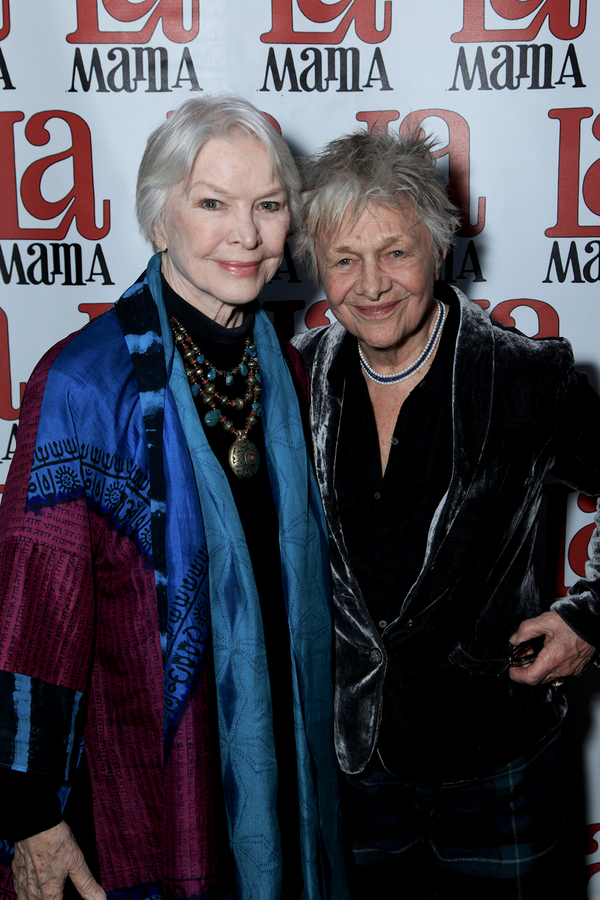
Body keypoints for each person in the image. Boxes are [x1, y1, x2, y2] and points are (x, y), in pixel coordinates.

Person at [0, 96, 347, 900]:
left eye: (268, 205)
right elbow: (29, 619)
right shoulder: (86, 383)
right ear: (160, 222)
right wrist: (29, 817)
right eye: (212, 203)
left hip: (282, 765)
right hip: (145, 784)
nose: (246, 233)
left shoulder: (285, 371)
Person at [291, 127, 600, 898]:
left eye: (394, 251)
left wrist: (593, 618)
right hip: (352, 770)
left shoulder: (527, 378)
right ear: (317, 269)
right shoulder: (291, 381)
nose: (371, 284)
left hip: (496, 757)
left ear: (437, 246)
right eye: (344, 259)